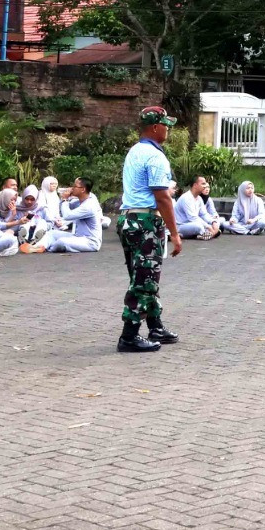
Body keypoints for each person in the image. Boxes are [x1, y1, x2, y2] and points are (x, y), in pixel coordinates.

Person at [116, 106, 182, 354]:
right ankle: (129, 336)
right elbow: (162, 197)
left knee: (143, 276)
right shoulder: (156, 156)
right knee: (144, 281)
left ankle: (155, 326)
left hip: (128, 219)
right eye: (166, 125)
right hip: (145, 222)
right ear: (155, 127)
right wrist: (175, 233)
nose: (168, 129)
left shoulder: (135, 151)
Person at [39, 178, 104, 254]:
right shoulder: (82, 200)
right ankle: (37, 247)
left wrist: (65, 199)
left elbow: (67, 216)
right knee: (52, 233)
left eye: (75, 186)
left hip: (90, 242)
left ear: (83, 189)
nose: (72, 188)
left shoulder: (88, 206)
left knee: (62, 242)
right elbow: (63, 208)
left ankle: (47, 248)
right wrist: (65, 199)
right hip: (78, 237)